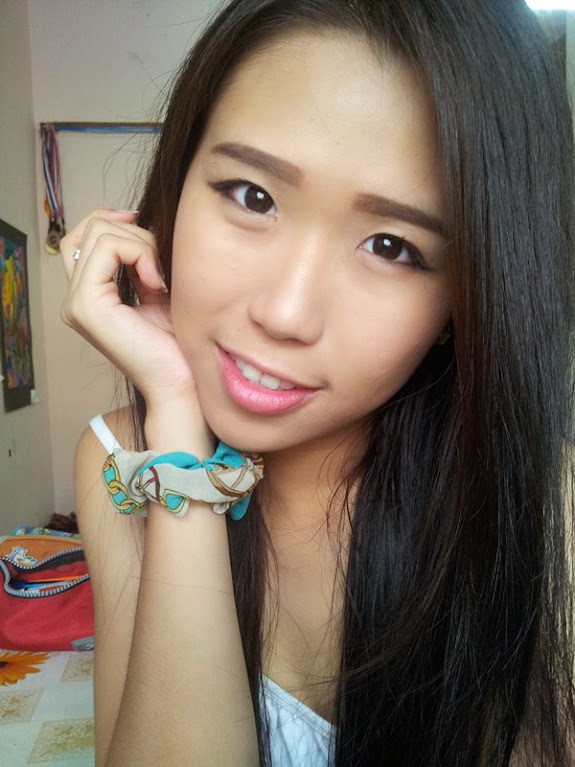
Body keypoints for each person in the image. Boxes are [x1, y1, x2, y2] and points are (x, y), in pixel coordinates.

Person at [59, 0, 575, 764]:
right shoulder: (120, 460)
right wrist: (178, 431)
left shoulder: (549, 508)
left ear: (460, 301)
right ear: (175, 186)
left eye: (392, 246)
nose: (285, 313)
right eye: (253, 196)